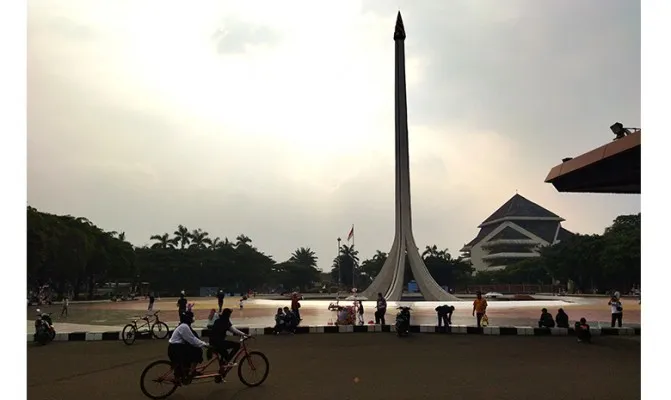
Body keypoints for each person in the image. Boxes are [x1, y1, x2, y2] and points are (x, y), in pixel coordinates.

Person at [168, 310, 209, 380]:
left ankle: (183, 373)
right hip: (176, 349)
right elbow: (192, 340)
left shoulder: (182, 325)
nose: (193, 318)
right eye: (192, 317)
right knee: (197, 351)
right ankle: (191, 372)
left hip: (175, 348)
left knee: (191, 351)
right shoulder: (184, 327)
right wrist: (204, 344)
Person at [209, 308, 249, 374]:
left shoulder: (218, 320)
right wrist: (244, 334)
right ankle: (227, 361)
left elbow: (231, 330)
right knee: (237, 345)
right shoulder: (226, 321)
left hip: (212, 341)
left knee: (225, 352)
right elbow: (234, 330)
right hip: (218, 343)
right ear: (228, 315)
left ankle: (221, 371)